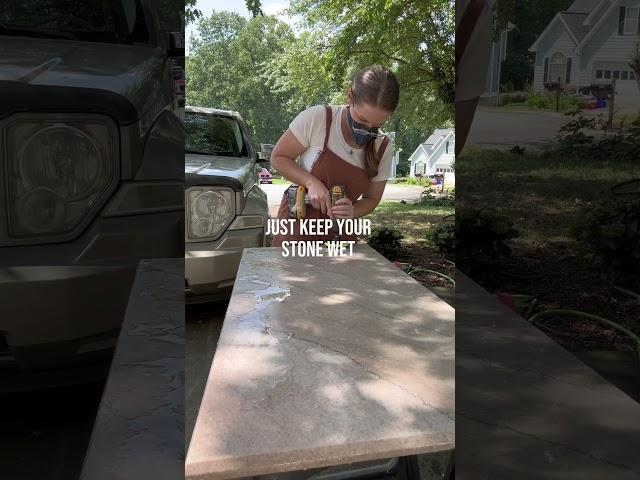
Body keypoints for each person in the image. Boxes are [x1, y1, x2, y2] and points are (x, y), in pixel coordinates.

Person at [270, 64, 400, 246]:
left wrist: (352, 211)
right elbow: (279, 157)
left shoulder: (383, 146)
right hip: (297, 228)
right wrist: (311, 182)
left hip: (340, 237)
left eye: (377, 124)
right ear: (350, 97)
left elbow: (372, 198)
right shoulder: (318, 119)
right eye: (362, 119)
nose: (368, 130)